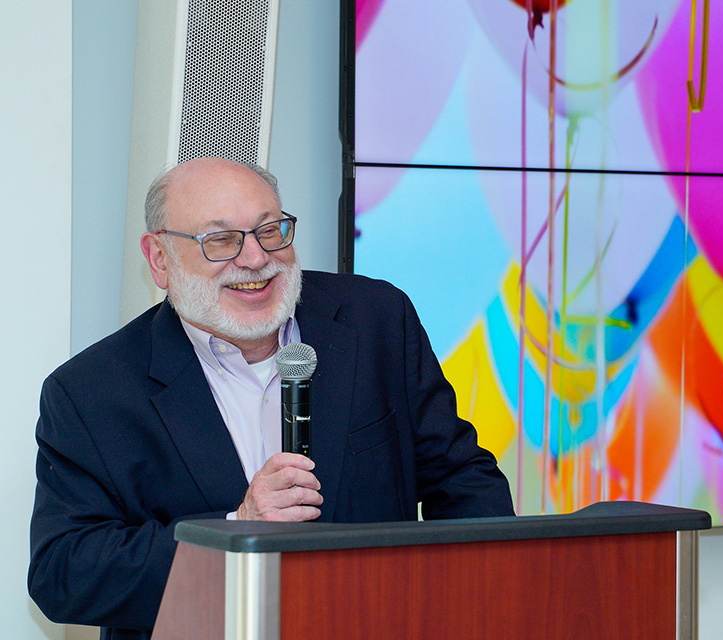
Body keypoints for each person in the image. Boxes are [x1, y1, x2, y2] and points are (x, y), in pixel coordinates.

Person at [28, 157, 514, 640]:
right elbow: (64, 572)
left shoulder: (376, 319)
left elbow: (461, 477)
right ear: (159, 259)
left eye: (271, 231)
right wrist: (237, 528)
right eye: (220, 241)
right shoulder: (92, 391)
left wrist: (490, 602)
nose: (256, 259)